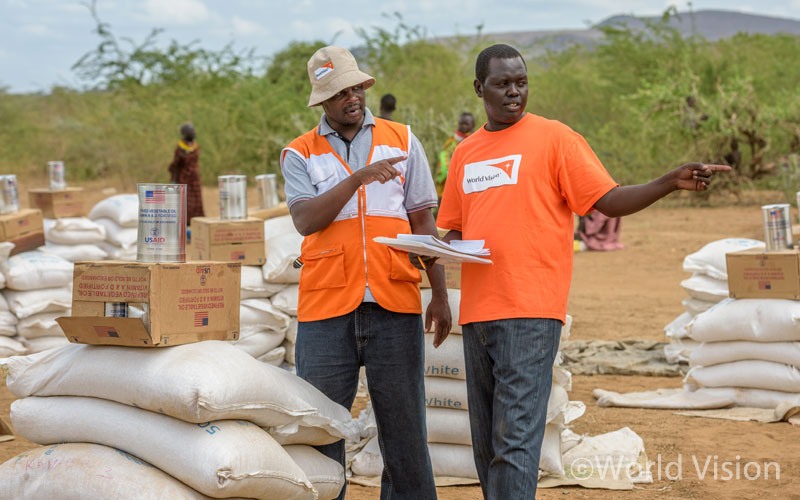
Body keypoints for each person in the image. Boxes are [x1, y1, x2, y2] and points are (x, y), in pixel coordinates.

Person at [435, 44, 730, 499]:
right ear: (479, 89)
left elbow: (608, 200)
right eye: (502, 84)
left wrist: (669, 181)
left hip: (531, 310)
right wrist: (428, 250)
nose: (515, 92)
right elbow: (454, 231)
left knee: (514, 443)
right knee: (485, 445)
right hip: (477, 314)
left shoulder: (555, 139)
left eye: (522, 82)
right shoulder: (466, 154)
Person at [280, 46, 451, 500]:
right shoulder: (299, 153)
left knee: (405, 430)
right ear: (322, 102)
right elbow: (305, 221)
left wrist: (439, 294)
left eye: (356, 87)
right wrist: (356, 178)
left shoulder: (403, 138)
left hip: (393, 302)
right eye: (340, 93)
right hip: (326, 307)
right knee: (321, 429)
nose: (352, 98)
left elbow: (423, 222)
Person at [167, 123, 204, 230]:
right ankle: (184, 228)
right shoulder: (180, 147)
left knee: (195, 204)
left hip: (193, 179)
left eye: (193, 131)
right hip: (183, 179)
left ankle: (196, 226)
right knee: (183, 203)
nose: (192, 133)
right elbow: (176, 164)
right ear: (184, 134)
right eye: (190, 131)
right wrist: (173, 180)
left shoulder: (195, 146)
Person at [435, 112, 475, 196]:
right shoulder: (451, 142)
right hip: (449, 182)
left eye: (466, 124)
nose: (463, 126)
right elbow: (443, 160)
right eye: (461, 123)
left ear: (473, 125)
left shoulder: (476, 141)